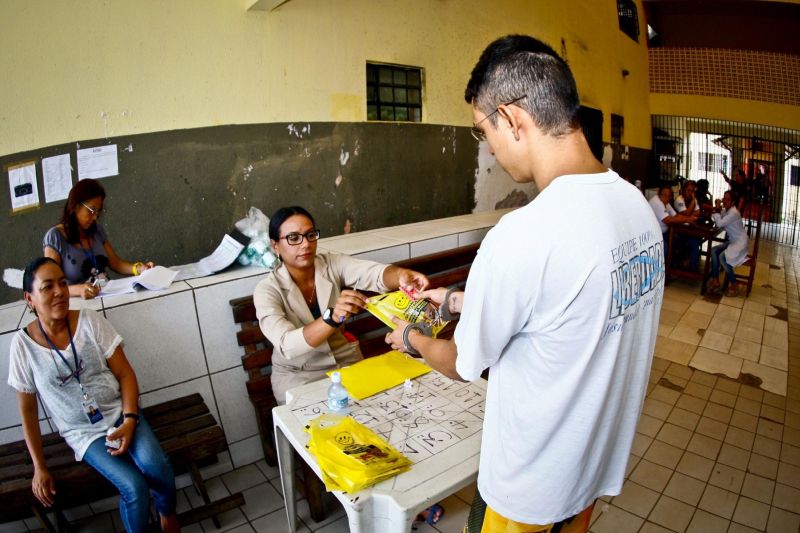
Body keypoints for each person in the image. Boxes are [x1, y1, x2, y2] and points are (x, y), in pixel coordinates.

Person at [386, 35, 664, 532]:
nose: (489, 148)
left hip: (529, 492)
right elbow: (569, 307)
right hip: (591, 472)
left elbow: (461, 363)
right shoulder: (635, 208)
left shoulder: (521, 234)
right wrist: (454, 300)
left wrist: (412, 339)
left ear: (513, 119)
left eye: (482, 131)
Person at [7, 258, 178, 532]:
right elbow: (28, 411)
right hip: (85, 434)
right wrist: (39, 467)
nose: (59, 292)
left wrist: (130, 420)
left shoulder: (89, 320)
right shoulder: (23, 346)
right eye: (47, 287)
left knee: (156, 467)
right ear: (29, 298)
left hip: (122, 414)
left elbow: (125, 374)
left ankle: (167, 514)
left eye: (62, 283)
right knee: (134, 488)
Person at [253, 206, 430, 405]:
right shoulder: (267, 290)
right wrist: (332, 317)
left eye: (310, 235)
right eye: (294, 238)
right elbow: (287, 344)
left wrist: (400, 276)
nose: (305, 244)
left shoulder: (330, 264)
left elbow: (372, 273)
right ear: (275, 245)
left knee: (381, 409)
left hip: (345, 360)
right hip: (300, 374)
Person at [43, 179, 154, 300]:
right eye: (91, 210)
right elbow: (50, 285)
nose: (95, 217)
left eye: (98, 212)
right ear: (75, 206)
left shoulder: (96, 230)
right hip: (78, 303)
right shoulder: (55, 237)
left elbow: (115, 263)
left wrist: (139, 269)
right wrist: (79, 289)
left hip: (105, 296)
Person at [708, 191, 749, 296]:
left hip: (740, 242)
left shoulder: (734, 213)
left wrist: (717, 210)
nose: (724, 201)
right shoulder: (727, 211)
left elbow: (720, 223)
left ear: (733, 202)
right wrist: (717, 210)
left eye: (728, 199)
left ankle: (734, 283)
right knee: (713, 250)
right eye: (724, 198)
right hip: (733, 241)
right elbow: (719, 220)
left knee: (722, 257)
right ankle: (715, 279)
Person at [648, 186, 697, 266]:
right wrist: (687, 220)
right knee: (665, 247)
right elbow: (667, 219)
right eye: (664, 195)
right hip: (653, 235)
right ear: (659, 194)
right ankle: (661, 270)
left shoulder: (665, 203)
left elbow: (675, 216)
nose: (666, 197)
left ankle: (672, 266)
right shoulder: (657, 202)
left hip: (663, 233)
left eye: (668, 196)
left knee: (679, 240)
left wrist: (689, 219)